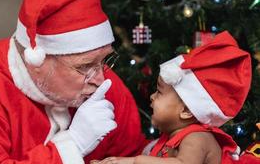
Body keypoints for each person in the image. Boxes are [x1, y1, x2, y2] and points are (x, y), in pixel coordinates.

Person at [0, 0, 147, 164]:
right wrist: (72, 146)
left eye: (104, 60)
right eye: (84, 66)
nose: (101, 79)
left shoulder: (106, 85)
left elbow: (132, 153)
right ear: (36, 61)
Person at [92, 31, 252, 164]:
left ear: (186, 110)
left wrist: (135, 161)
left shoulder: (197, 137)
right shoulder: (169, 139)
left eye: (159, 92)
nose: (152, 97)